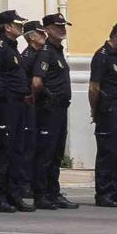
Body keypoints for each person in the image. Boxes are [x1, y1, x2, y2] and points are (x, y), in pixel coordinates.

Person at [0, 9, 36, 212]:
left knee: (17, 150)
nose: (20, 27)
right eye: (17, 24)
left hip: (18, 104)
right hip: (5, 105)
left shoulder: (12, 47)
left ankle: (13, 194)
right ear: (7, 26)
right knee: (4, 151)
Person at [29, 13, 77, 210]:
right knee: (45, 153)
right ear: (47, 30)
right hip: (49, 108)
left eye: (63, 25)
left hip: (60, 108)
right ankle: (41, 194)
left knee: (56, 153)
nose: (62, 29)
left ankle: (53, 191)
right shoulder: (46, 52)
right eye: (58, 26)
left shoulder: (58, 52)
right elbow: (36, 81)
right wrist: (47, 97)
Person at [90, 23, 117, 208]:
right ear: (116, 36)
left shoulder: (116, 57)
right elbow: (94, 87)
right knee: (107, 152)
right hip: (108, 110)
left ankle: (116, 191)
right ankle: (104, 193)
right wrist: (95, 109)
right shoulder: (102, 56)